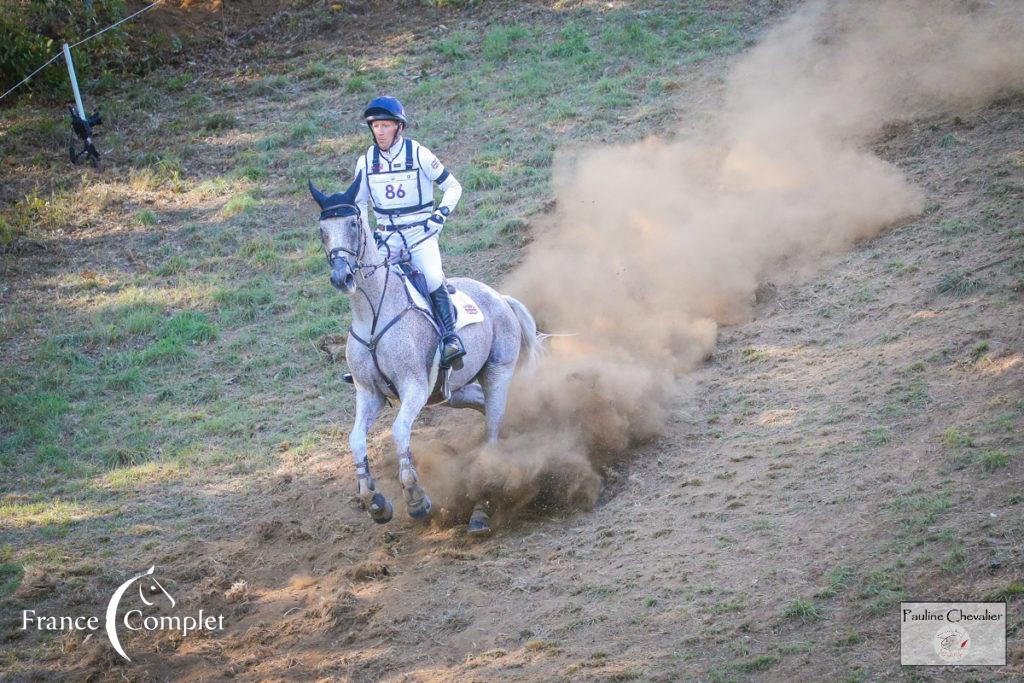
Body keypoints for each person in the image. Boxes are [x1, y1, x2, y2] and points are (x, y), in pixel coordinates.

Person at [351, 96, 466, 370]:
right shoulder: (365, 162)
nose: (379, 131)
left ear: (399, 127)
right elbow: (358, 203)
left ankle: (451, 338)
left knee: (432, 277)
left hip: (420, 235)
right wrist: (369, 233)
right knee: (369, 285)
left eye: (385, 125)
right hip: (387, 238)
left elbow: (453, 187)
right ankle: (366, 353)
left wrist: (440, 215)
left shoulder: (419, 154)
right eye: (375, 126)